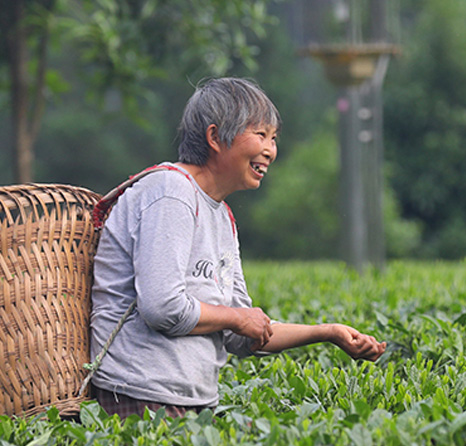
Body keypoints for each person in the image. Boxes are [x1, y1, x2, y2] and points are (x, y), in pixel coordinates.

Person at [88, 77, 386, 418]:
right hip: (139, 394)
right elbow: (162, 307)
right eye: (260, 135)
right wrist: (238, 318)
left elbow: (241, 335)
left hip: (192, 400)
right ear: (215, 137)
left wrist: (327, 333)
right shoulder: (170, 192)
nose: (271, 150)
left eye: (273, 138)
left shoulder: (222, 215)